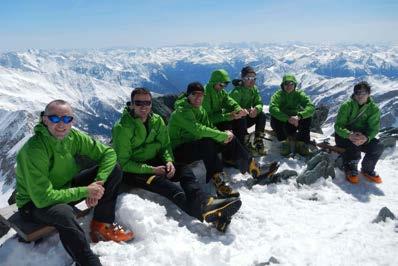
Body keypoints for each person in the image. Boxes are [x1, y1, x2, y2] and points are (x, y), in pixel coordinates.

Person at [15, 100, 133, 266]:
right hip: (33, 204)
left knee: (114, 169)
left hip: (64, 187)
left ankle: (101, 224)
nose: (61, 124)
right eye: (55, 119)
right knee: (64, 213)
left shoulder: (73, 137)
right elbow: (42, 198)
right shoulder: (34, 150)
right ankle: (87, 261)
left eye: (66, 119)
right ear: (45, 120)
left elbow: (108, 153)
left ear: (73, 121)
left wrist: (97, 185)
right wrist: (86, 191)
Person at [112, 88, 242, 231]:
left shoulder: (156, 121)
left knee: (184, 170)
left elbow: (165, 146)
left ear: (151, 104)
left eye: (147, 102)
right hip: (134, 170)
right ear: (131, 105)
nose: (143, 106)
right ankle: (205, 210)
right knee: (168, 187)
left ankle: (206, 203)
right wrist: (151, 170)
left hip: (155, 161)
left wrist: (168, 161)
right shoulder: (122, 127)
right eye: (138, 103)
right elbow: (123, 163)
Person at [169, 82, 267, 199]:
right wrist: (221, 136)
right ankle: (219, 182)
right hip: (179, 151)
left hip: (195, 145)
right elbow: (198, 130)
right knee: (207, 142)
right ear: (188, 95)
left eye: (201, 95)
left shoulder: (200, 110)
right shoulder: (181, 111)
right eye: (194, 94)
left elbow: (210, 127)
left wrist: (225, 136)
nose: (198, 98)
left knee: (230, 137)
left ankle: (252, 167)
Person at [334, 81, 384, 184]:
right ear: (354, 94)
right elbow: (338, 126)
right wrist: (349, 135)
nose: (361, 95)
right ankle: (350, 167)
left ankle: (367, 169)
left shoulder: (373, 109)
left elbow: (374, 129)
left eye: (364, 93)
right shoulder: (347, 106)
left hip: (362, 136)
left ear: (369, 94)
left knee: (378, 146)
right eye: (358, 92)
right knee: (353, 143)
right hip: (344, 136)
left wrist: (366, 138)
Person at [269, 74, 315, 156]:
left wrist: (299, 116)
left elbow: (311, 107)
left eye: (291, 84)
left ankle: (301, 143)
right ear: (282, 85)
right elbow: (272, 108)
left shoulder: (299, 94)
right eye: (286, 84)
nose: (289, 86)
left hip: (294, 122)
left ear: (295, 85)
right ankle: (284, 142)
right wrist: (287, 118)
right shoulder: (278, 95)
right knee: (275, 117)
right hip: (282, 124)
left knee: (307, 118)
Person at [230, 66, 267, 155]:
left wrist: (256, 109)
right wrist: (246, 110)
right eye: (248, 78)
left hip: (246, 118)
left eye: (254, 78)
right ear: (242, 78)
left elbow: (259, 102)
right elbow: (232, 109)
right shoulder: (236, 92)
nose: (252, 80)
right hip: (235, 122)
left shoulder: (254, 89)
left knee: (261, 115)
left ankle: (258, 140)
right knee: (242, 117)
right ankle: (244, 142)